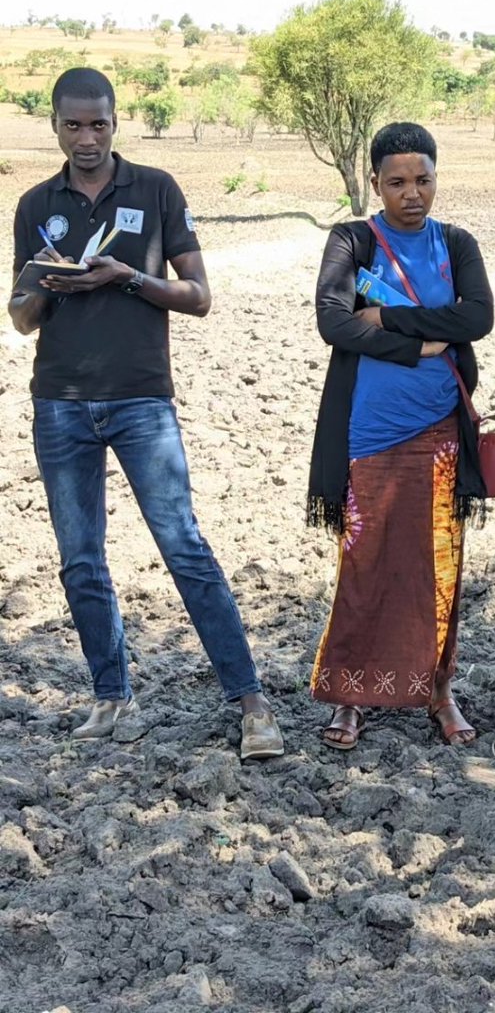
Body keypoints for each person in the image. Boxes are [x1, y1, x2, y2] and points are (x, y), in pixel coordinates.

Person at [7, 67, 284, 760]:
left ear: (115, 121)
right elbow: (19, 319)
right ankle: (111, 698)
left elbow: (198, 295)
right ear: (55, 127)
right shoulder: (36, 203)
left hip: (140, 401)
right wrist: (46, 281)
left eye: (98, 123)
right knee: (80, 559)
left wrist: (126, 276)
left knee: (183, 544)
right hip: (61, 405)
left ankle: (251, 703)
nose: (87, 137)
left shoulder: (156, 189)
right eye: (73, 125)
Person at [307, 122, 493, 751]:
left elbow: (478, 317)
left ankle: (439, 692)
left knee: (439, 568)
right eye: (396, 182)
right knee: (364, 564)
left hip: (440, 434)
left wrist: (385, 316)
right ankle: (352, 697)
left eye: (422, 180)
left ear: (437, 178)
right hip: (369, 434)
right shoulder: (353, 240)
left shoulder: (456, 243)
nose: (411, 193)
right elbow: (333, 322)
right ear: (376, 184)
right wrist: (421, 344)